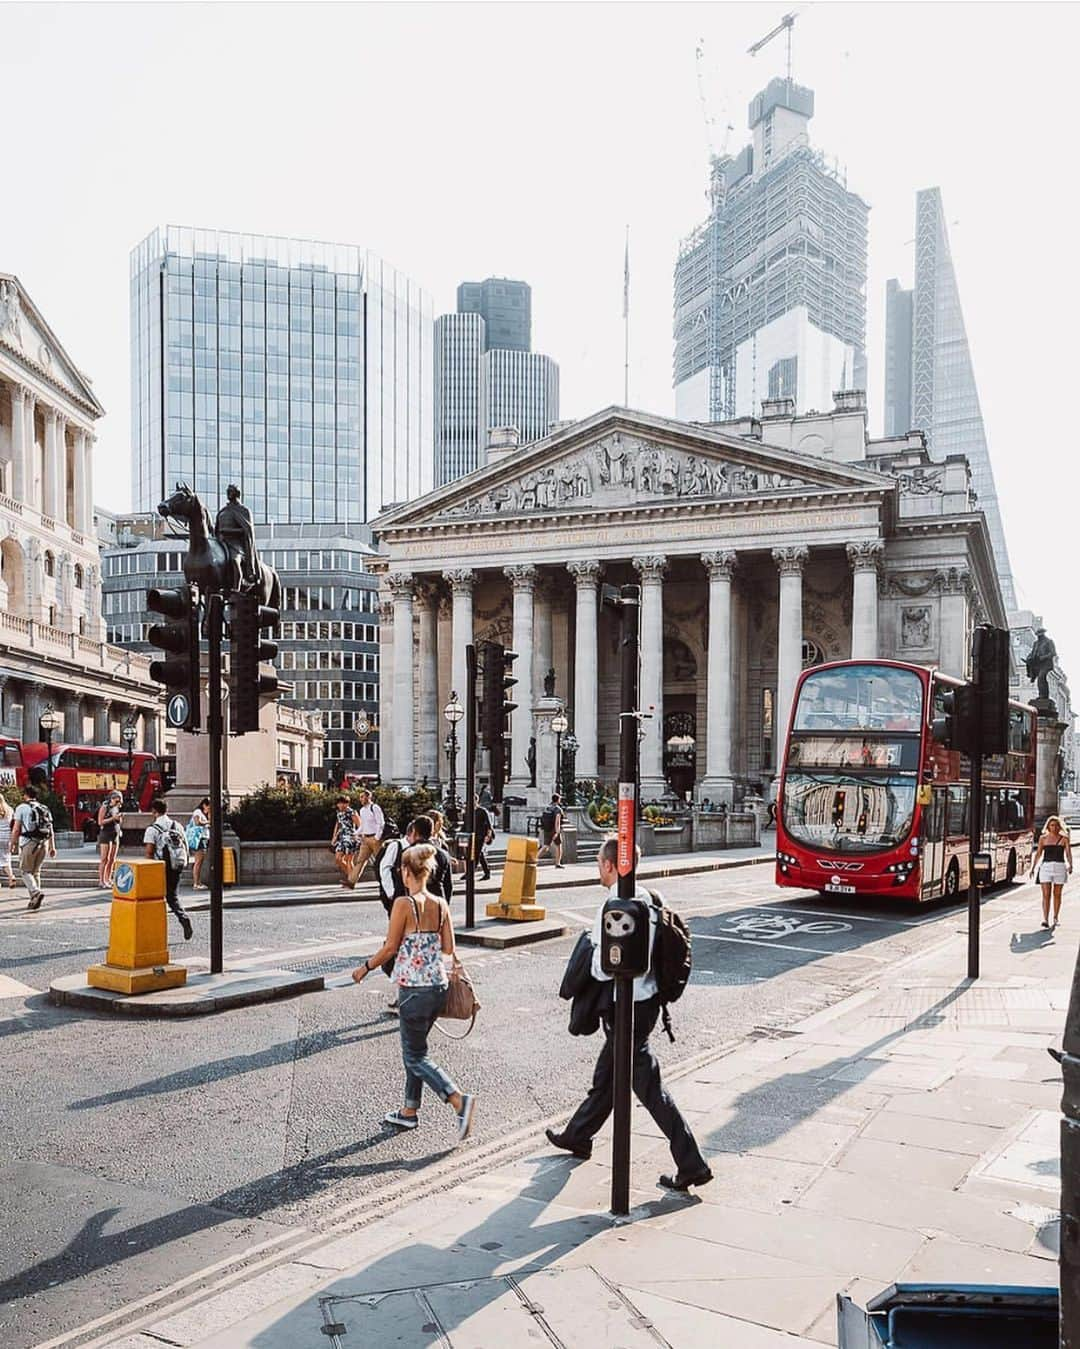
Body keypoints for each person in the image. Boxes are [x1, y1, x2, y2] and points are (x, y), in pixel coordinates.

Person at [545, 837, 713, 1192]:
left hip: (625, 1008)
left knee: (649, 1088)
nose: (598, 869)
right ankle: (579, 1135)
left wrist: (588, 958)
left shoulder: (614, 905)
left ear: (609, 866)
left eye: (598, 863)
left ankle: (691, 1162)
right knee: (608, 1078)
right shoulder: (653, 899)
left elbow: (604, 968)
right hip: (650, 1003)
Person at [351, 843, 475, 1141]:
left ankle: (459, 1100)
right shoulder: (440, 904)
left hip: (413, 991)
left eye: (401, 871)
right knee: (416, 1049)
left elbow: (390, 947)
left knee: (415, 1056)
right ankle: (409, 1112)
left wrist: (365, 968)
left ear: (407, 871)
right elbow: (448, 948)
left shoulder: (403, 905)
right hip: (438, 987)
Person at [144, 798, 194, 940]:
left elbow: (149, 852)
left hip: (160, 866)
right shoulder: (177, 825)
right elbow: (185, 844)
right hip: (176, 864)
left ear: (154, 811)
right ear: (167, 810)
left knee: (153, 897)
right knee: (172, 896)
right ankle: (182, 917)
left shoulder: (152, 829)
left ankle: (153, 928)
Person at [11, 785, 56, 911]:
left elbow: (16, 828)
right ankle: (34, 900)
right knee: (36, 871)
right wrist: (53, 847)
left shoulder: (22, 808)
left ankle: (36, 892)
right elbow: (51, 829)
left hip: (29, 843)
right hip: (44, 843)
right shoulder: (44, 807)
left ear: (25, 795)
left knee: (25, 871)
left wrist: (12, 843)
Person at [1030, 815, 1073, 929]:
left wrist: (1070, 865)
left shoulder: (1064, 839)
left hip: (1060, 867)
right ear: (1048, 826)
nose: (1054, 827)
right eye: (1052, 825)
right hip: (1046, 868)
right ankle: (1045, 919)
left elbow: (1068, 853)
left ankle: (1055, 916)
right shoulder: (1043, 839)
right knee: (1046, 895)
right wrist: (1033, 867)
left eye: (1056, 825)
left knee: (1057, 894)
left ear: (1060, 827)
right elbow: (1038, 854)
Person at [347, 788, 385, 886]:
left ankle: (385, 882)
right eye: (360, 797)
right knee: (360, 861)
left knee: (381, 861)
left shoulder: (375, 807)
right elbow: (363, 825)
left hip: (375, 839)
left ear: (368, 797)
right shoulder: (362, 810)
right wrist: (356, 833)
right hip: (365, 839)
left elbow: (380, 823)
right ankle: (351, 882)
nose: (360, 799)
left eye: (362, 797)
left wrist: (377, 837)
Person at [330, 794, 363, 888]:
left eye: (343, 803)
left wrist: (357, 836)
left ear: (347, 803)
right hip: (342, 838)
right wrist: (334, 837)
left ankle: (350, 881)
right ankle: (351, 878)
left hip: (350, 837)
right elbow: (338, 825)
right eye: (339, 803)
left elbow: (360, 824)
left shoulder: (351, 812)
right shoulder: (339, 813)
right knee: (338, 859)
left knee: (349, 860)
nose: (341, 805)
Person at [97, 791, 124, 888]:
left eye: (119, 800)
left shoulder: (116, 808)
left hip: (115, 833)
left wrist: (119, 819)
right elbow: (100, 822)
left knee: (112, 859)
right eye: (117, 800)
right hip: (106, 834)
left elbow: (117, 821)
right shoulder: (105, 807)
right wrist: (113, 818)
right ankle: (102, 880)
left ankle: (108, 879)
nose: (118, 802)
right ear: (112, 799)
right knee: (105, 858)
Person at [537, 792, 565, 868]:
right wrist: (557, 832)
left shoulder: (548, 807)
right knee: (559, 846)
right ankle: (557, 863)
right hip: (554, 829)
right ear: (558, 800)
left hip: (547, 829)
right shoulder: (558, 809)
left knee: (545, 846)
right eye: (560, 799)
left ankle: (534, 859)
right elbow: (557, 821)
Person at [188, 798, 211, 889]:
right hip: (200, 839)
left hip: (204, 838)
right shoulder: (197, 812)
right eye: (208, 806)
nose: (209, 808)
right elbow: (197, 822)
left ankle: (198, 882)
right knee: (198, 861)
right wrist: (207, 822)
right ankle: (196, 883)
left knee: (200, 862)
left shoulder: (204, 814)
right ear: (204, 805)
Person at [472, 794, 494, 881]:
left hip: (481, 836)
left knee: (477, 854)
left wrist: (488, 835)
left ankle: (470, 873)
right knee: (480, 854)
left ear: (476, 801)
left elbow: (489, 824)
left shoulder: (482, 811)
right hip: (473, 835)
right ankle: (487, 872)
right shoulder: (468, 811)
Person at [0, 796, 16, 889]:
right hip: (7, 838)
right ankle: (11, 876)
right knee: (6, 859)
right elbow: (13, 824)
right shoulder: (10, 809)